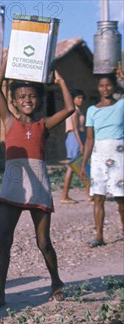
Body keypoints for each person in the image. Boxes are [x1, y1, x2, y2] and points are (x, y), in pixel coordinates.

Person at [0, 58, 74, 309]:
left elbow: (69, 109)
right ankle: (0, 292)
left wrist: (61, 81)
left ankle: (56, 282)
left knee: (43, 241)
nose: (27, 100)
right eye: (21, 96)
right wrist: (4, 63)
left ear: (38, 100)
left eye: (32, 96)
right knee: (4, 238)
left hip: (38, 187)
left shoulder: (43, 125)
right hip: (13, 186)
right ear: (13, 101)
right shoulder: (10, 121)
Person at [81, 64, 124, 248]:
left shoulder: (121, 105)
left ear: (113, 86)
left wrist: (122, 77)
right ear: (97, 88)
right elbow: (89, 139)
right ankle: (99, 235)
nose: (105, 88)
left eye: (108, 85)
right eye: (101, 86)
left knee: (121, 198)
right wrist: (84, 163)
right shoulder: (92, 110)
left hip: (119, 155)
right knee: (98, 197)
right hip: (98, 157)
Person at [60, 89, 89, 203]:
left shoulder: (77, 111)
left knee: (79, 166)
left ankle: (88, 194)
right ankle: (65, 196)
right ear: (73, 99)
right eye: (78, 98)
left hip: (78, 138)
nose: (80, 100)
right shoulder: (73, 111)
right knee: (75, 167)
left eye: (82, 98)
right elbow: (76, 129)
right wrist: (81, 144)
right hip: (75, 138)